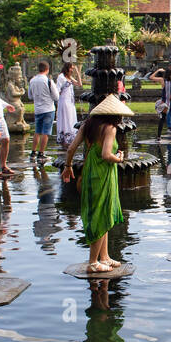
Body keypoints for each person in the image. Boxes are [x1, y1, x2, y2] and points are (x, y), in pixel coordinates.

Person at [61, 95, 132, 273]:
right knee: (101, 213)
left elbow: (71, 148)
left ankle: (105, 256)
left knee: (103, 211)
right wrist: (120, 158)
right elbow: (106, 155)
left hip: (90, 170)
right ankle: (93, 262)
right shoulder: (110, 128)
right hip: (103, 172)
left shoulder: (88, 125)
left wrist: (68, 167)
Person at [28, 60, 60, 165]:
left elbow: (30, 96)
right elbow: (56, 97)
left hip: (38, 109)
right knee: (46, 132)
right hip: (48, 109)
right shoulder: (48, 81)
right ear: (47, 69)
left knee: (37, 131)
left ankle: (33, 152)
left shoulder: (32, 80)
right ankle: (41, 153)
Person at [150, 63, 171, 140]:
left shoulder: (162, 80)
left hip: (165, 103)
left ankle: (159, 137)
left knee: (162, 119)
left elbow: (151, 77)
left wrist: (158, 70)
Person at [56, 62, 82, 146]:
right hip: (64, 101)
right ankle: (64, 138)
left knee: (71, 118)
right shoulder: (61, 77)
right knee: (65, 118)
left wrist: (78, 73)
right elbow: (58, 90)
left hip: (70, 102)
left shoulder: (69, 77)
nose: (72, 70)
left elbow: (79, 84)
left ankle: (70, 138)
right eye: (71, 68)